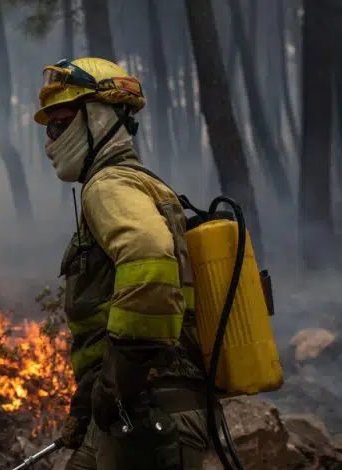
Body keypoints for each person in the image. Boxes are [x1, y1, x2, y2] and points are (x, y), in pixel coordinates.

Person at [34, 58, 210, 469]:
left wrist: (114, 387)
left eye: (61, 124)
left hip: (147, 411)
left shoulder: (108, 185)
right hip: (132, 410)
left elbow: (149, 264)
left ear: (98, 118)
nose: (51, 141)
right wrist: (89, 401)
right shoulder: (138, 183)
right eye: (48, 129)